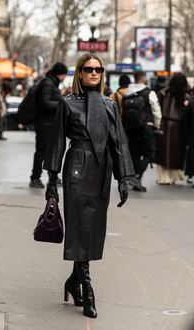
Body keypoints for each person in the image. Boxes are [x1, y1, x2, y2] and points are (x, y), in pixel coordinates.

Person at [43, 53, 134, 318]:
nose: (94, 73)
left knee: (93, 227)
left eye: (98, 69)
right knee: (79, 224)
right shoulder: (67, 103)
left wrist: (123, 178)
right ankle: (87, 286)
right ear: (80, 73)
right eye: (89, 69)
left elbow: (118, 143)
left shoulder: (108, 104)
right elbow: (57, 142)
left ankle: (73, 280)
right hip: (77, 167)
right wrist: (52, 181)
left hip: (101, 169)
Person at [121, 71, 162, 191]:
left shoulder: (127, 93)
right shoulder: (149, 93)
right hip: (146, 127)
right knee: (149, 154)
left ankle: (136, 180)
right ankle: (137, 176)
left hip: (131, 128)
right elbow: (156, 109)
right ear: (144, 79)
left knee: (136, 154)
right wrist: (157, 124)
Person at [29, 62, 67, 188]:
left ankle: (52, 177)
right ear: (60, 74)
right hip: (44, 124)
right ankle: (35, 178)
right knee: (42, 151)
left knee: (51, 151)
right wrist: (62, 104)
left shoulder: (51, 83)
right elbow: (45, 103)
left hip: (49, 123)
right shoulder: (48, 83)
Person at [155, 73, 191, 184]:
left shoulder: (163, 93)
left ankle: (163, 177)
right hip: (180, 126)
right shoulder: (186, 96)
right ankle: (173, 176)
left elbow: (155, 107)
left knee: (163, 152)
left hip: (164, 124)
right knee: (176, 151)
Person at [182, 99, 194, 185]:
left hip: (192, 132)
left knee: (192, 153)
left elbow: (185, 118)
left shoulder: (191, 103)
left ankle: (190, 175)